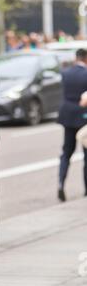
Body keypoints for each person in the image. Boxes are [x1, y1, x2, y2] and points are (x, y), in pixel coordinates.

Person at [58, 48, 87, 201]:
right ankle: (86, 190)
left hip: (68, 116)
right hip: (84, 116)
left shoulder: (66, 73)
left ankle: (61, 183)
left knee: (66, 153)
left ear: (76, 58)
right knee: (86, 155)